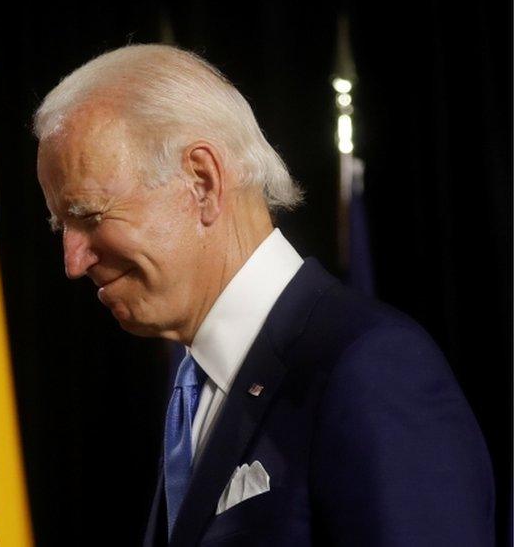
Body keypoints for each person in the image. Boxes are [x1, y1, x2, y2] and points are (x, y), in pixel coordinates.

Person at [33, 44, 494, 546]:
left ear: (202, 182)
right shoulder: (196, 390)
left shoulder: (370, 368)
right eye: (62, 225)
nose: (73, 262)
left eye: (91, 215)